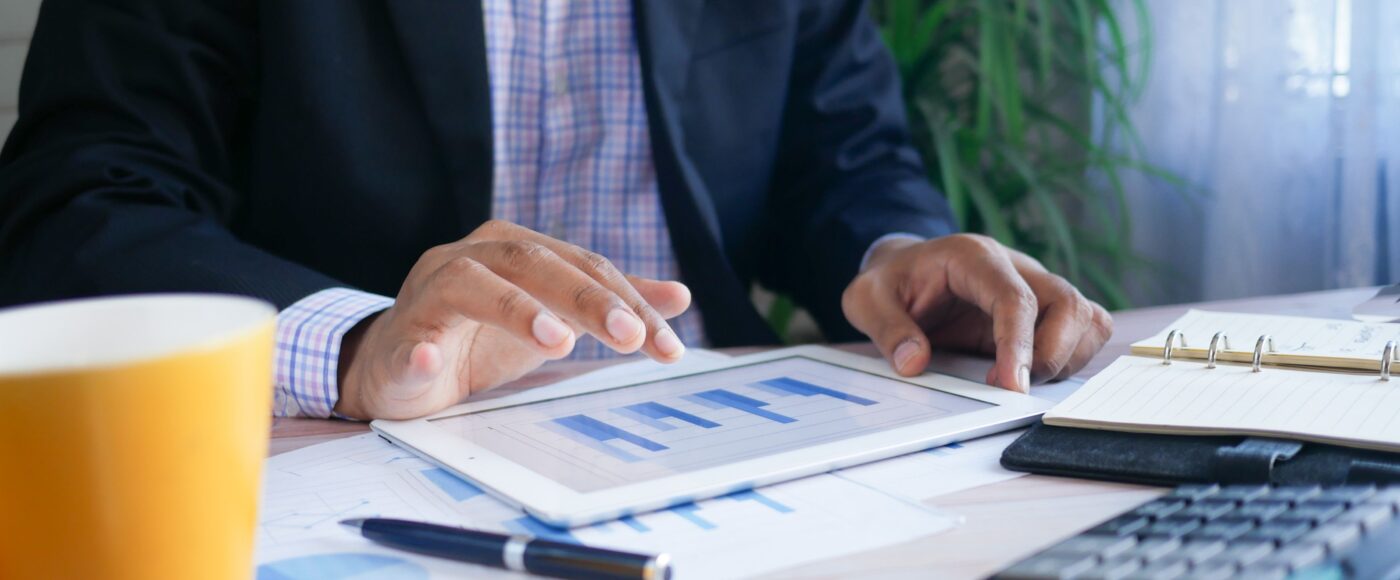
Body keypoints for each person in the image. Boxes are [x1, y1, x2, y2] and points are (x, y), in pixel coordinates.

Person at [0, 0, 1111, 421]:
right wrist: (352, 342)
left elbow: (839, 152)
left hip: (719, 445)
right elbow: (75, 207)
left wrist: (899, 252)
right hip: (352, 457)